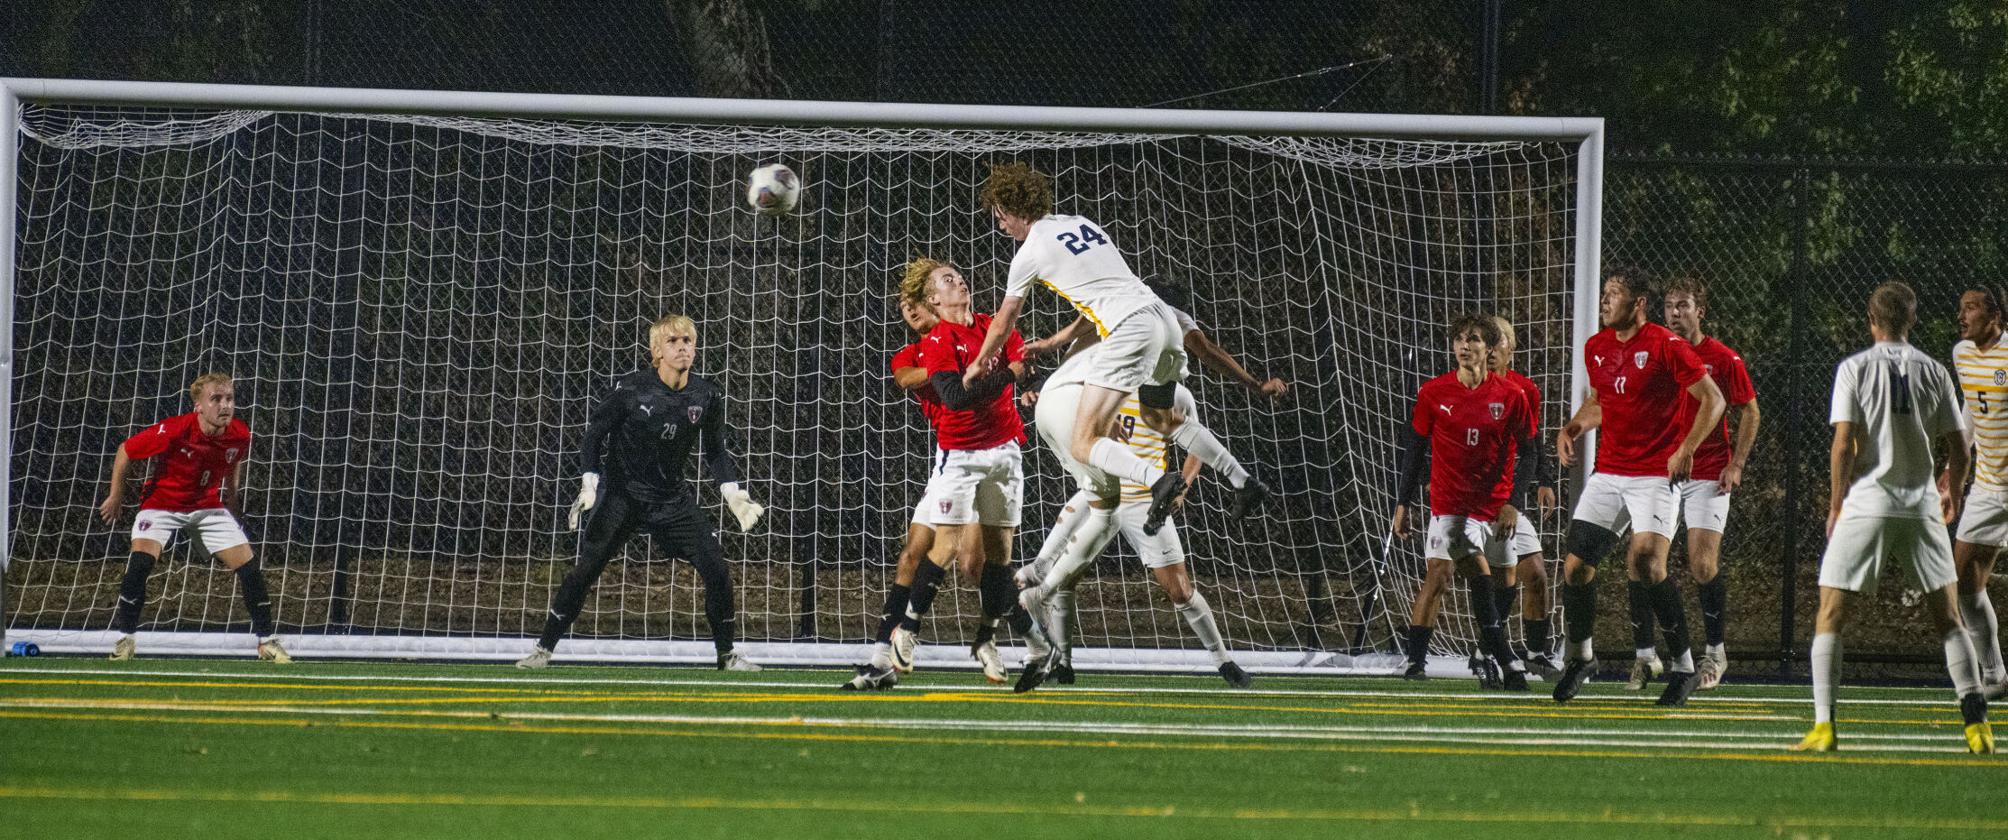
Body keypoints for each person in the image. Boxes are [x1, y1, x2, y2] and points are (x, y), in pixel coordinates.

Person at [968, 162, 1266, 535]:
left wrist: (979, 363)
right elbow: (1104, 293)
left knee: (1083, 442)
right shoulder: (1082, 224)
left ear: (1015, 209)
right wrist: (1054, 342)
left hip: (1130, 330)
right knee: (1161, 418)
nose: (1000, 225)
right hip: (1163, 320)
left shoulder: (1029, 252)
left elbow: (1004, 320)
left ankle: (1157, 480)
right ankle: (1242, 480)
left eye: (1000, 216)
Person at [1796, 281, 1991, 753]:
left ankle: (1824, 726)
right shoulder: (1934, 371)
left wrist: (1835, 504)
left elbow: (1843, 443)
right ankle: (1977, 725)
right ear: (1913, 320)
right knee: (1949, 617)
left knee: (1830, 613)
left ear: (1871, 319)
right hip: (1921, 506)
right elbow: (1960, 448)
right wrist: (1953, 494)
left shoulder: (1854, 368)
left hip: (1868, 503)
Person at [516, 315, 765, 671]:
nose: (682, 347)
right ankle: (543, 649)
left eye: (688, 341)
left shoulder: (706, 394)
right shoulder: (631, 389)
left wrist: (733, 493)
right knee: (585, 570)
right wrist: (589, 483)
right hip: (623, 496)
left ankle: (726, 655)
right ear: (657, 351)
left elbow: (715, 450)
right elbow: (594, 435)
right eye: (673, 341)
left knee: (717, 569)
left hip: (672, 499)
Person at [1014, 336, 1254, 689]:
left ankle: (1224, 661)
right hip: (1098, 495)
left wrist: (1183, 487)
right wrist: (1036, 390)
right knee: (1065, 578)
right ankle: (1063, 663)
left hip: (1146, 502)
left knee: (1180, 590)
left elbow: (1196, 447)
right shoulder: (1104, 382)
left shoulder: (1177, 395)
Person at [1551, 266, 1724, 706]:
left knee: (1648, 562)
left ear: (1639, 303)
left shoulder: (1667, 345)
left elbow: (1714, 399)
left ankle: (1684, 665)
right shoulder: (1597, 347)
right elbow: (1602, 401)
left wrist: (1686, 448)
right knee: (1575, 567)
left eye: (1614, 294)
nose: (1605, 301)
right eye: (1605, 293)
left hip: (1653, 475)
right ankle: (1582, 659)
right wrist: (1573, 427)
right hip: (1610, 472)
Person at [902, 257, 1053, 690]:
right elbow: (950, 394)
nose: (960, 281)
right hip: (959, 454)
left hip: (1004, 451)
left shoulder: (993, 328)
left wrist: (1026, 382)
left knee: (988, 563)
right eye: (947, 280)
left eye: (958, 275)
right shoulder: (932, 343)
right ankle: (902, 633)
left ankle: (993, 640)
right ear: (932, 300)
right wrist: (1006, 375)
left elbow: (1024, 365)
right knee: (933, 549)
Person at [1390, 315, 1538, 691]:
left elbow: (1530, 453)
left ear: (1489, 349)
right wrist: (1403, 503)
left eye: (1472, 339)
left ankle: (1487, 654)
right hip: (1451, 507)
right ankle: (1494, 660)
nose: (1464, 345)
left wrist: (1513, 503)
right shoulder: (1433, 392)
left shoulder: (1512, 395)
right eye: (1458, 339)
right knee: (1457, 573)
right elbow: (1414, 450)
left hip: (1495, 507)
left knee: (1503, 581)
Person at [99, 372, 288, 663]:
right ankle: (126, 640)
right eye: (216, 399)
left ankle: (266, 642)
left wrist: (232, 497)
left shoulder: (239, 433)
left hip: (207, 506)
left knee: (250, 569)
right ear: (198, 405)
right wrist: (115, 497)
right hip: (162, 505)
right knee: (140, 565)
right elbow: (126, 450)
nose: (225, 405)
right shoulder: (175, 430)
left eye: (229, 398)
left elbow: (234, 459)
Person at [843, 295, 963, 690]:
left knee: (975, 566)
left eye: (915, 301)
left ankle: (1037, 640)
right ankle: (882, 658)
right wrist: (948, 365)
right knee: (912, 554)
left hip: (982, 454)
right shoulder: (911, 353)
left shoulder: (968, 334)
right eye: (902, 307)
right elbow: (906, 378)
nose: (909, 310)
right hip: (949, 460)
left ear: (935, 301)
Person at [1662, 277, 1760, 690]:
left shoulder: (1722, 358)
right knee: (1646, 562)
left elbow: (1750, 412)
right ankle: (1651, 655)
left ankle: (1715, 651)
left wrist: (1736, 463)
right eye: (1669, 306)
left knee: (1702, 564)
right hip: (1662, 472)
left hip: (1707, 473)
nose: (1675, 313)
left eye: (1683, 305)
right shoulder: (1660, 353)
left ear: (1700, 311)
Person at [1485, 314, 1562, 680]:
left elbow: (1531, 442)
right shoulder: (1467, 388)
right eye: (1484, 341)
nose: (1489, 349)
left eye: (1496, 341)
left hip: (1506, 499)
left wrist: (1544, 480)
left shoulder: (1524, 390)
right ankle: (1484, 651)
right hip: (1473, 501)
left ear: (1511, 348)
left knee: (1536, 576)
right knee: (1473, 577)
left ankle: (1534, 653)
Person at [1945, 286, 2008, 699]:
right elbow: (1972, 408)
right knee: (1965, 579)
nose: (1961, 315)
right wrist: (1952, 469)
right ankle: (1995, 675)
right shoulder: (1962, 354)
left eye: (1970, 308)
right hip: (1988, 485)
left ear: (1995, 315)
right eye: (1960, 307)